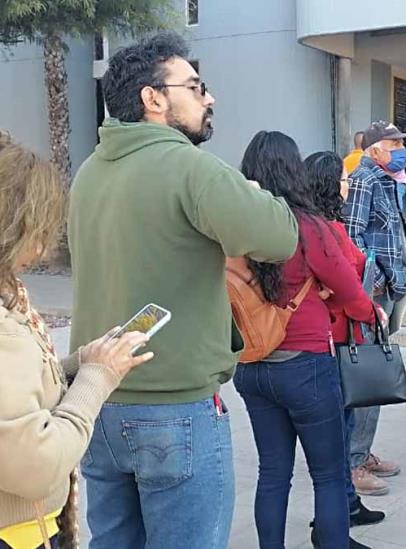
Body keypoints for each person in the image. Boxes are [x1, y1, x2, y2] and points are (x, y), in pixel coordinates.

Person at [68, 33, 299, 549]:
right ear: (153, 99)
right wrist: (257, 195)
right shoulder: (191, 167)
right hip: (174, 411)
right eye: (195, 87)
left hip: (97, 403)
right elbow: (279, 238)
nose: (208, 97)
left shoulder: (89, 173)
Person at [0, 136, 155, 549]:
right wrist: (96, 380)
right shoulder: (5, 332)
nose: (42, 249)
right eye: (36, 230)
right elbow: (37, 464)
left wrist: (79, 363)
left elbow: (16, 396)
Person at [233, 131, 378, 549]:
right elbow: (350, 291)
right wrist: (370, 313)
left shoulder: (235, 226)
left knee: (273, 473)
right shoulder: (307, 226)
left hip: (252, 362)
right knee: (328, 474)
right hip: (305, 363)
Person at [303, 151, 388, 548]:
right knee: (340, 433)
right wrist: (371, 310)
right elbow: (347, 287)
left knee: (342, 429)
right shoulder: (329, 231)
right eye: (342, 178)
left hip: (331, 336)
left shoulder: (311, 226)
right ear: (327, 184)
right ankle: (336, 517)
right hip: (338, 339)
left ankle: (348, 503)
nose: (348, 184)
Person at [343, 121, 406, 496]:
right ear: (374, 150)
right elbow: (352, 234)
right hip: (372, 292)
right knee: (369, 378)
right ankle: (353, 463)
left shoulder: (385, 180)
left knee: (374, 377)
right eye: (393, 144)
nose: (401, 150)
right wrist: (370, 282)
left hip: (387, 288)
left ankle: (361, 452)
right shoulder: (364, 180)